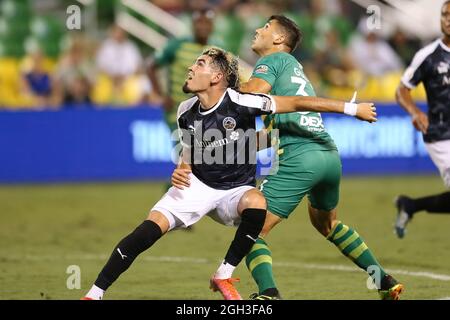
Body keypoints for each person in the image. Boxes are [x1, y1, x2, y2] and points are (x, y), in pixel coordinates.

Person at [83, 47, 376, 300]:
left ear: (216, 77)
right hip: (198, 186)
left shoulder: (242, 102)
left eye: (199, 64)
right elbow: (190, 149)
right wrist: (181, 168)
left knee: (257, 202)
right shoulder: (185, 110)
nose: (189, 67)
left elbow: (298, 103)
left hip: (234, 193)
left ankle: (224, 274)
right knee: (147, 231)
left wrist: (352, 108)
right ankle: (94, 293)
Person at [172, 15, 404, 301]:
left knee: (252, 229)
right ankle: (383, 281)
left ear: (279, 40)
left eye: (266, 27)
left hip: (300, 156)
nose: (257, 29)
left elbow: (254, 90)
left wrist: (217, 87)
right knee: (328, 224)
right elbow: (268, 125)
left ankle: (269, 294)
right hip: (327, 155)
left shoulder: (273, 61)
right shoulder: (293, 68)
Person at [394, 1, 450, 239]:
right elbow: (401, 90)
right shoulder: (427, 56)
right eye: (445, 15)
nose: (448, 19)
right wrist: (415, 112)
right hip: (440, 134)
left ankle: (411, 205)